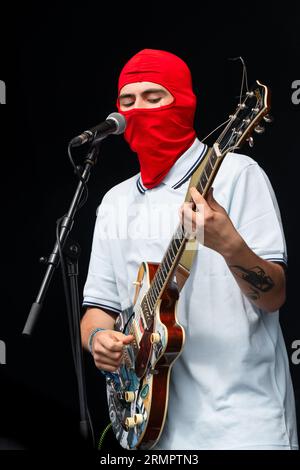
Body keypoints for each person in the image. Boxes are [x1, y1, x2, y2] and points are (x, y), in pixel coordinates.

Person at [80, 49, 298, 450]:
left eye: (153, 97)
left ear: (182, 102)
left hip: (242, 424)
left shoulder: (237, 175)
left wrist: (230, 246)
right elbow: (98, 310)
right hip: (153, 429)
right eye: (127, 102)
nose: (138, 110)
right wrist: (98, 340)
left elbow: (274, 296)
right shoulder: (114, 202)